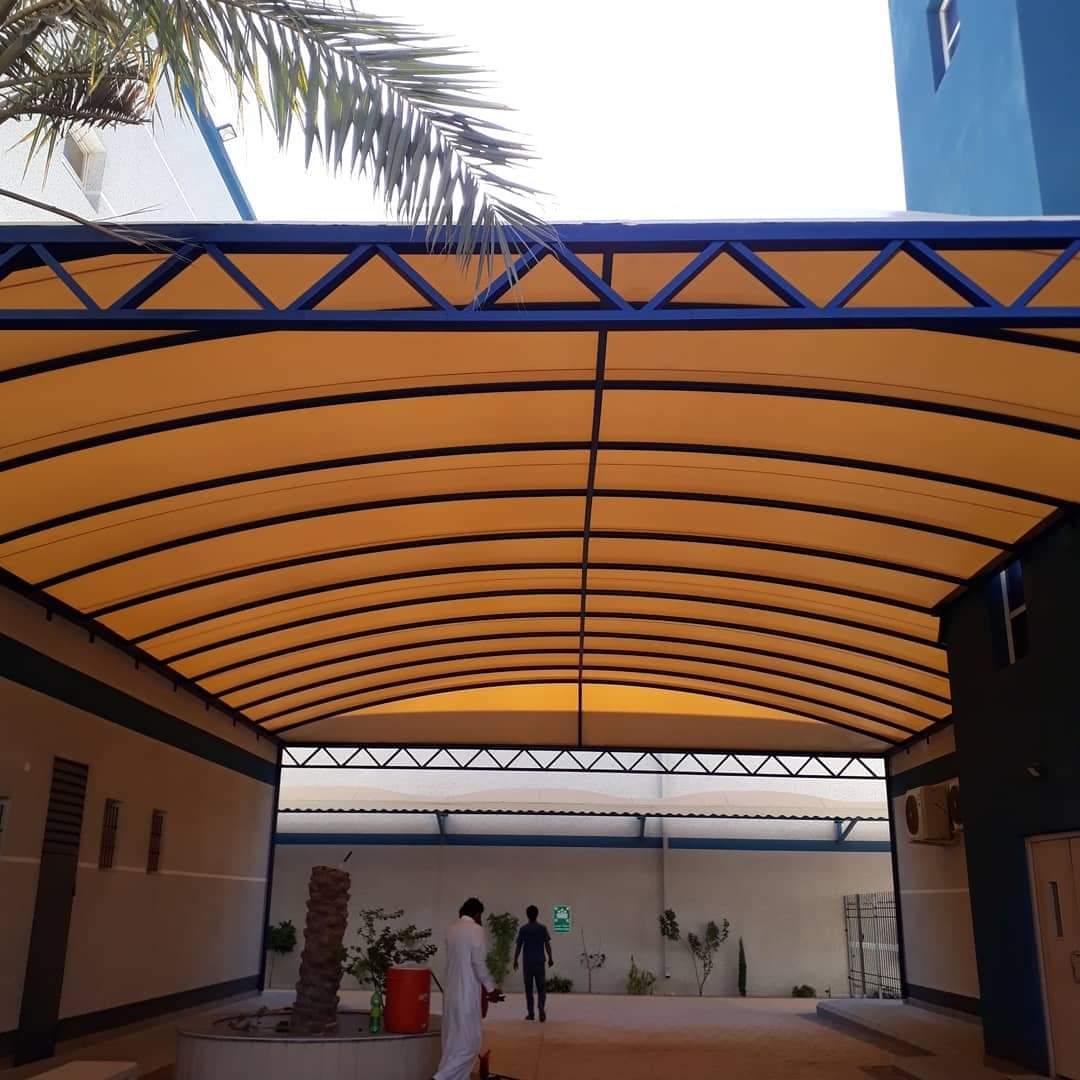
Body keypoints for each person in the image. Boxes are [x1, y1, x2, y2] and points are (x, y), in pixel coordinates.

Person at [434, 897, 503, 1080]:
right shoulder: (476, 930)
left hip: (450, 995)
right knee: (471, 1044)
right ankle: (439, 1078)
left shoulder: (451, 930)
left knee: (451, 1045)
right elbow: (478, 962)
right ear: (478, 914)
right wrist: (490, 989)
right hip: (466, 995)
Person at [513, 905, 553, 1022]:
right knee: (541, 987)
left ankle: (531, 1013)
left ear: (527, 915)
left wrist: (515, 960)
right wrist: (550, 958)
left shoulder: (523, 929)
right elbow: (547, 944)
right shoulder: (542, 928)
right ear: (537, 914)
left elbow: (519, 946)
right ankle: (541, 1006)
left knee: (529, 989)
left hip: (527, 963)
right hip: (540, 961)